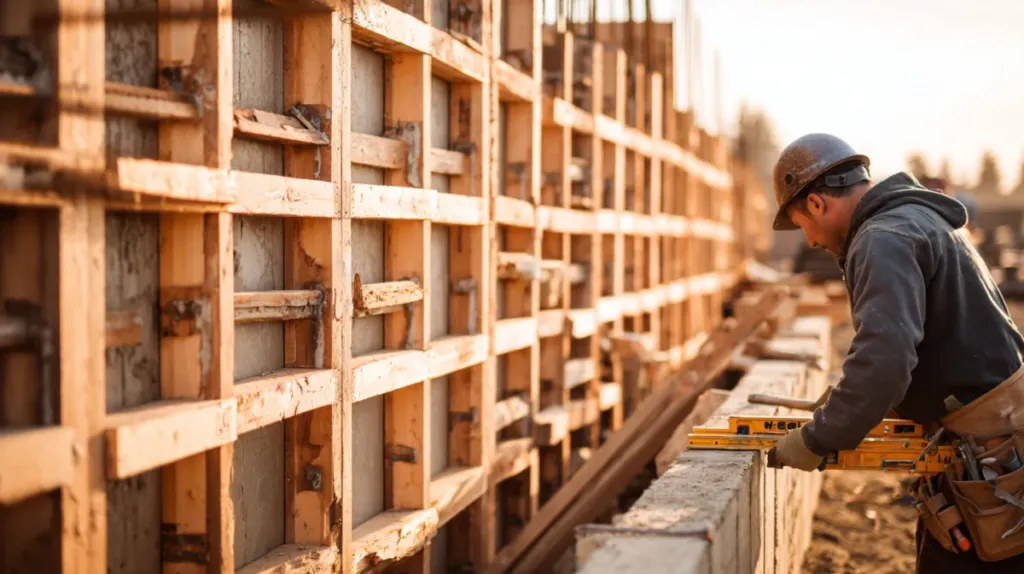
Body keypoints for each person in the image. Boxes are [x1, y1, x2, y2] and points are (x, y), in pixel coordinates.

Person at [763, 133, 1024, 573]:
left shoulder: (882, 238)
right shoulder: (916, 221)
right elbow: (932, 346)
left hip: (991, 457)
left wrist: (818, 438)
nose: (808, 242)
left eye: (801, 224)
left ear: (815, 204)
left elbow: (884, 362)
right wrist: (851, 401)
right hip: (992, 438)